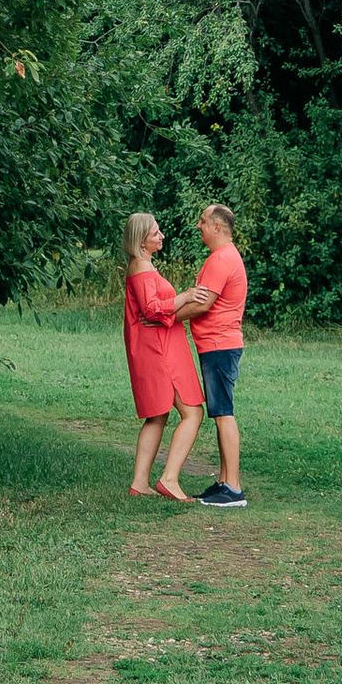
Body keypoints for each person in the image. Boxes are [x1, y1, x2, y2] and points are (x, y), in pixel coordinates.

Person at [120, 210, 203, 500]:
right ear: (141, 239)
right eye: (156, 233)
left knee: (157, 415)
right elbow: (152, 309)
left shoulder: (143, 265)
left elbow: (152, 308)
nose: (162, 236)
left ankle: (140, 483)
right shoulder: (141, 267)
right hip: (158, 348)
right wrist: (186, 296)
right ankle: (169, 480)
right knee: (192, 412)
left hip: (156, 343)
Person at [180, 200, 248, 508]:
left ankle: (233, 489)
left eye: (203, 221)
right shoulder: (222, 257)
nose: (199, 225)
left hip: (220, 345)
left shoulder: (222, 259)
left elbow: (203, 304)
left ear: (217, 227)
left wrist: (167, 316)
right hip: (216, 344)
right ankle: (223, 482)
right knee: (220, 413)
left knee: (223, 414)